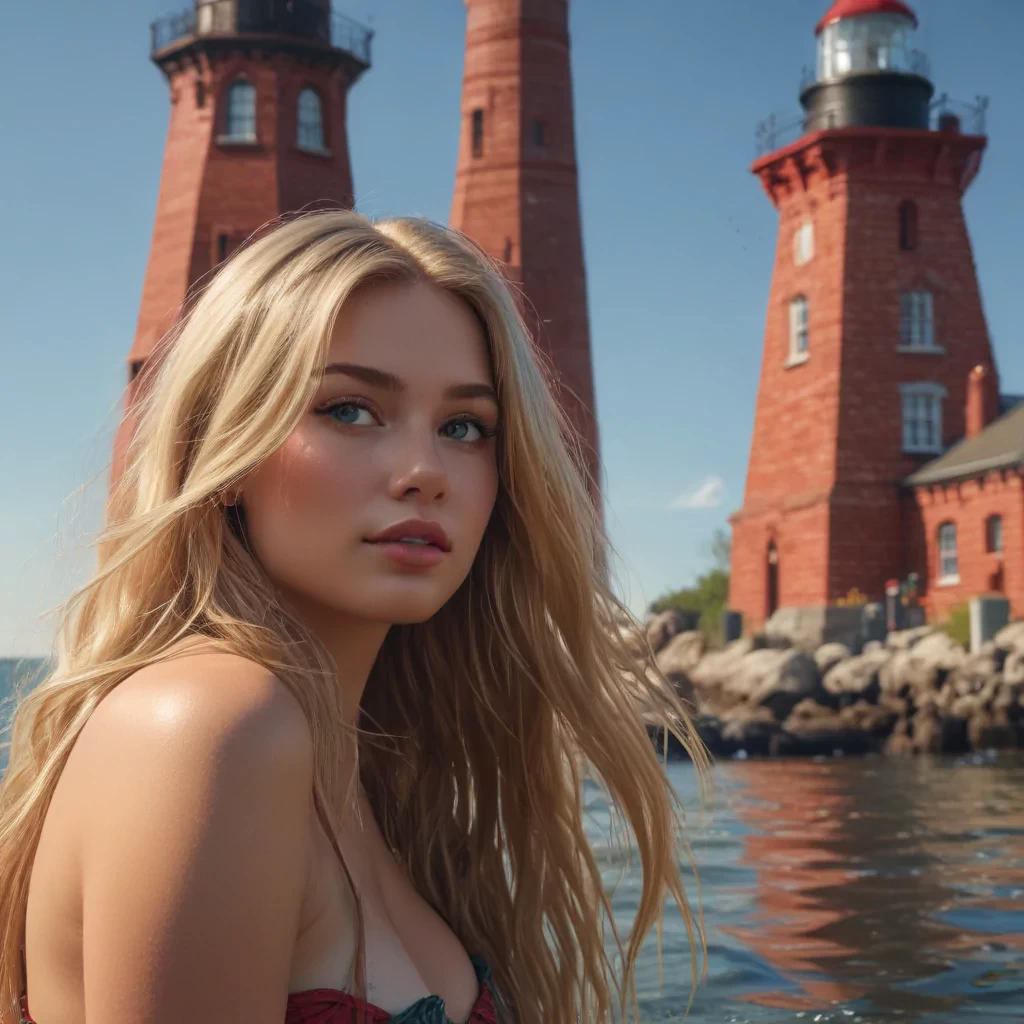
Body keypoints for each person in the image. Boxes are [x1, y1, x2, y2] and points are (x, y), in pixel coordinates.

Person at [0, 211, 707, 1024]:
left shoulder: (361, 766)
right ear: (218, 452)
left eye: (464, 426)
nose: (423, 471)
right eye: (349, 410)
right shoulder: (208, 729)